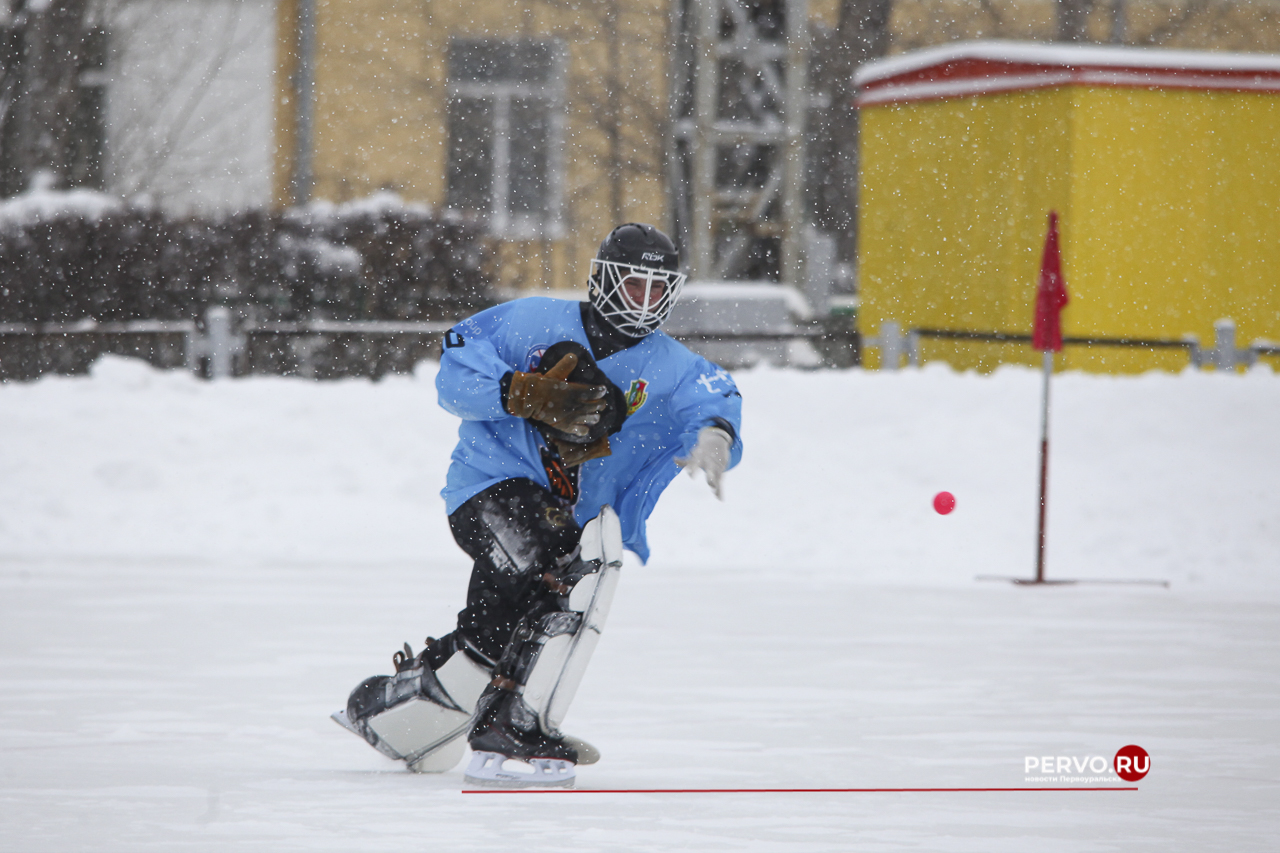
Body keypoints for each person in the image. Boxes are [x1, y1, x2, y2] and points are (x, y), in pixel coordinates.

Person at [333, 223, 743, 787]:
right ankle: (508, 724)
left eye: (657, 288)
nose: (644, 301)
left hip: (563, 517)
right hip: (487, 489)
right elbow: (454, 371)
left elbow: (714, 392)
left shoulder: (669, 365)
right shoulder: (532, 319)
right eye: (633, 285)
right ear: (602, 280)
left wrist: (716, 433)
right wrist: (522, 393)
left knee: (492, 635)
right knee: (550, 568)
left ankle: (405, 698)